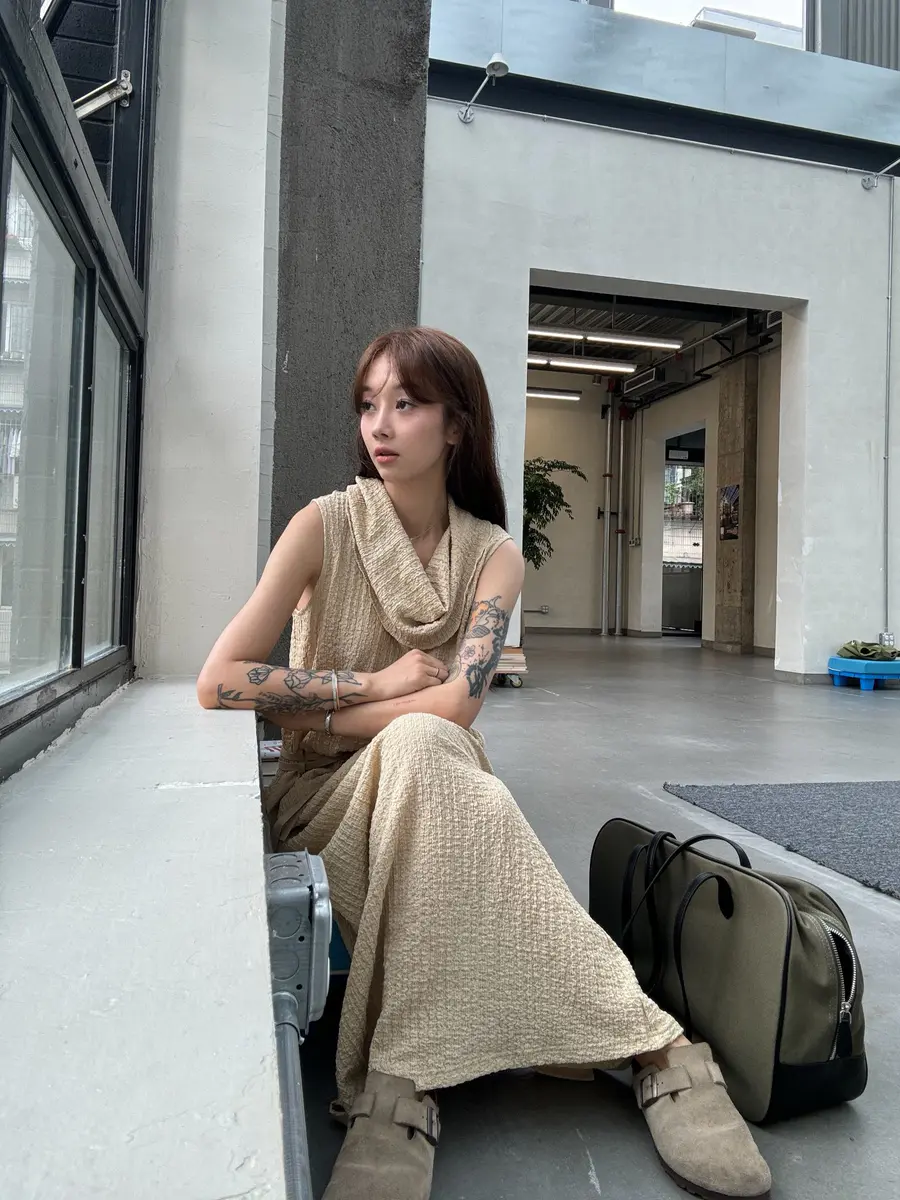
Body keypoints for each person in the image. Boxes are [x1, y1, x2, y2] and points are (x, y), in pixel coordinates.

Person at [197, 328, 771, 1200]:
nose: (379, 425)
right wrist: (374, 682)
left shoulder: (493, 555)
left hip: (437, 779)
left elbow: (456, 707)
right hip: (327, 794)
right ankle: (655, 1046)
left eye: (406, 404)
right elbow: (220, 680)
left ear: (457, 425)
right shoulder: (324, 526)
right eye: (368, 404)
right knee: (433, 755)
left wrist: (330, 711)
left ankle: (402, 1079)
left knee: (430, 749)